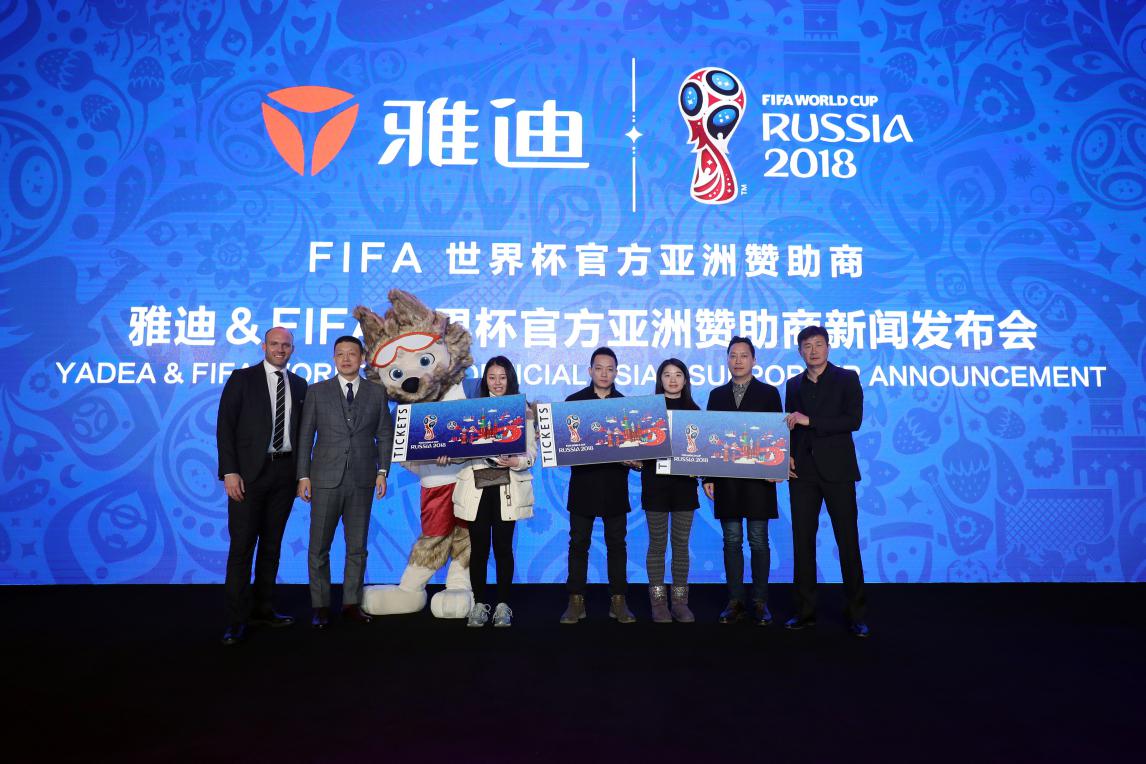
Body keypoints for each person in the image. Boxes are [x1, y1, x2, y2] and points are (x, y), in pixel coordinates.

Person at [216, 327, 308, 646]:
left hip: (284, 474)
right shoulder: (242, 379)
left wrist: (302, 475)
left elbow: (303, 434)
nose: (280, 349)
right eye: (274, 344)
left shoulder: (299, 384)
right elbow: (225, 427)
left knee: (272, 546)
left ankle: (263, 609)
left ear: (292, 349)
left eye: (286, 345)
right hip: (247, 476)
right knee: (242, 547)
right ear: (263, 346)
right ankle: (236, 620)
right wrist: (230, 471)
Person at [296, 336, 393, 629]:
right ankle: (320, 606)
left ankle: (351, 603)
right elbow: (305, 436)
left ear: (362, 358)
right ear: (334, 358)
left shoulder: (376, 392)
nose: (346, 359)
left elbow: (384, 434)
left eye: (352, 354)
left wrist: (383, 471)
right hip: (324, 479)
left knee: (357, 547)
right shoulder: (317, 391)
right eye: (340, 354)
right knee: (318, 547)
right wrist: (303, 476)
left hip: (363, 479)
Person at [784, 326, 869, 637]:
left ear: (828, 347)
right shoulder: (793, 385)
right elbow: (790, 426)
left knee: (848, 542)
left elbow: (853, 420)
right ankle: (805, 612)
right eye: (807, 346)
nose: (813, 351)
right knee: (802, 543)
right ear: (800, 352)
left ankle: (856, 614)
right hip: (802, 474)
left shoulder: (847, 378)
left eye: (818, 344)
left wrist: (812, 420)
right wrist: (787, 456)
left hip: (838, 472)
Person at [450, 357, 536, 628]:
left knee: (503, 547)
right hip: (477, 487)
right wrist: (447, 455)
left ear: (510, 379)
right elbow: (458, 448)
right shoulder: (471, 409)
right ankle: (479, 605)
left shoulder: (522, 409)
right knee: (479, 549)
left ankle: (502, 605)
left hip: (507, 487)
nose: (497, 383)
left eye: (502, 377)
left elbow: (532, 453)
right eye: (492, 377)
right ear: (485, 380)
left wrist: (517, 461)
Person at [703, 336, 782, 626]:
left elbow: (777, 435)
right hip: (727, 480)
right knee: (732, 540)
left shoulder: (769, 393)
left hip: (759, 479)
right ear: (727, 360)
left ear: (754, 360)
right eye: (733, 355)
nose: (738, 361)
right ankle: (735, 601)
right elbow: (710, 438)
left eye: (743, 355)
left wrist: (777, 467)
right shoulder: (716, 395)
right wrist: (707, 476)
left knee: (759, 540)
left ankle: (760, 602)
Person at [560, 347, 639, 624]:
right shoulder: (573, 403)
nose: (604, 373)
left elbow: (638, 451)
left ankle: (618, 600)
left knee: (617, 545)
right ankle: (575, 601)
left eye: (610, 369)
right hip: (583, 486)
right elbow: (563, 445)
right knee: (578, 544)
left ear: (616, 372)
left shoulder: (627, 407)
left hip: (615, 487)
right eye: (599, 368)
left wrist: (636, 460)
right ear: (590, 370)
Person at [641, 359, 700, 623]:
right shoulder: (647, 411)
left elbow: (702, 453)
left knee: (681, 545)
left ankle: (679, 602)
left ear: (685, 380)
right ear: (660, 379)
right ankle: (657, 603)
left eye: (678, 375)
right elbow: (639, 447)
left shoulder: (696, 412)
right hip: (655, 486)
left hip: (684, 488)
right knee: (656, 545)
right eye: (667, 375)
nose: (673, 380)